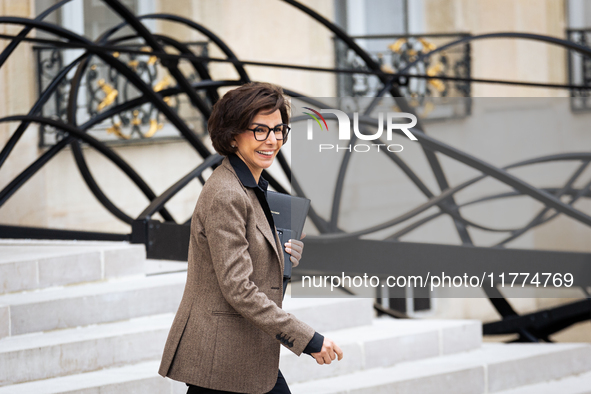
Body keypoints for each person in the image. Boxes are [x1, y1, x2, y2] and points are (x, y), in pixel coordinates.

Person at [158, 82, 343, 394]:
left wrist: (281, 256)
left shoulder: (251, 187)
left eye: (279, 129)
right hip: (222, 353)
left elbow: (246, 260)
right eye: (260, 130)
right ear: (232, 136)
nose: (272, 140)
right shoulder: (227, 194)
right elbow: (239, 288)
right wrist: (307, 339)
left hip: (239, 353)